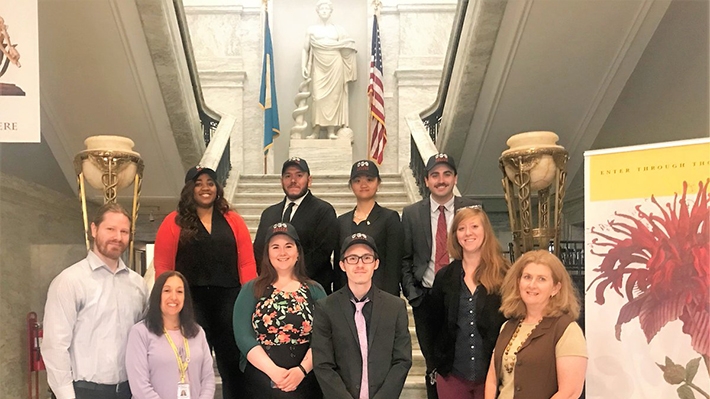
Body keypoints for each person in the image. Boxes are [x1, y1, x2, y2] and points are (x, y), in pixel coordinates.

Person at [154, 166, 257, 399]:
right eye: (198, 182)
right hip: (191, 304)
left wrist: (250, 300)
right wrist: (168, 303)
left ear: (217, 188)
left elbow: (247, 264)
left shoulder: (234, 220)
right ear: (189, 189)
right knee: (191, 365)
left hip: (230, 303)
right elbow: (163, 266)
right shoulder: (173, 222)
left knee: (233, 365)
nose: (205, 187)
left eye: (210, 182)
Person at [42, 203, 148, 399]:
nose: (117, 237)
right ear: (94, 229)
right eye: (110, 229)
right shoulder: (70, 281)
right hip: (83, 391)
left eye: (124, 231)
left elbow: (143, 340)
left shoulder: (138, 285)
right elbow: (54, 347)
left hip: (127, 391)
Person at [401, 153, 479, 399]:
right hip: (426, 299)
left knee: (462, 358)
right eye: (435, 175)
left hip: (464, 295)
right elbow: (405, 258)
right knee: (433, 362)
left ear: (455, 178)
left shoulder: (472, 209)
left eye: (447, 174)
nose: (441, 180)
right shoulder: (412, 213)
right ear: (426, 181)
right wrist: (413, 296)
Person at [312, 233, 412, 399]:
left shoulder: (395, 307)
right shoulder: (326, 308)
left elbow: (402, 361)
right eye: (352, 258)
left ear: (376, 263)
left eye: (366, 258)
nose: (360, 264)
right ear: (342, 265)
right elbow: (323, 364)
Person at [233, 222, 326, 398]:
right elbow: (243, 336)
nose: (282, 253)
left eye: (288, 246)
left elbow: (324, 336)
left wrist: (301, 371)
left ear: (298, 253)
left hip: (306, 380)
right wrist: (274, 372)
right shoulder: (251, 289)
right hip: (261, 381)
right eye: (275, 247)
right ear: (267, 254)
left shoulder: (315, 290)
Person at [428, 207, 508, 399]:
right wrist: (435, 363)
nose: (468, 233)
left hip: (493, 376)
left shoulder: (504, 274)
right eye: (461, 228)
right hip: (452, 376)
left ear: (485, 231)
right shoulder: (444, 277)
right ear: (455, 235)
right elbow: (432, 324)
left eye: (474, 226)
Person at [484, 250, 587, 399]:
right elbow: (492, 381)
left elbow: (570, 391)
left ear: (555, 288)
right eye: (527, 277)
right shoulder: (507, 327)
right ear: (518, 281)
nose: (532, 285)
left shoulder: (567, 330)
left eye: (541, 279)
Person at [253, 157, 338, 293]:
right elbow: (258, 250)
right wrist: (273, 279)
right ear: (281, 181)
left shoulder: (323, 210)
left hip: (312, 290)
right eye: (288, 176)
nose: (293, 181)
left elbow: (321, 253)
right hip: (272, 289)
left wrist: (291, 280)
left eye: (299, 175)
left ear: (309, 180)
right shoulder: (269, 213)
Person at [126, 271, 215, 399]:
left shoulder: (197, 332)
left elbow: (208, 378)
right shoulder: (140, 333)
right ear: (157, 295)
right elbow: (140, 386)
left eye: (179, 292)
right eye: (167, 291)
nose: (174, 297)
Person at [333, 160, 403, 296]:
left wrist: (389, 300)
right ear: (351, 185)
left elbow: (393, 266)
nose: (363, 185)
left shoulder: (389, 218)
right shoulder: (341, 221)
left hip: (380, 296)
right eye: (357, 181)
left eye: (369, 180)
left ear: (378, 183)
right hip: (347, 297)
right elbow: (338, 266)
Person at [301, 0, 357, 139]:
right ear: (318, 11)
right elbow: (305, 49)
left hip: (335, 63)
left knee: (334, 98)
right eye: (322, 8)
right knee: (318, 98)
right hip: (319, 64)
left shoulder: (338, 29)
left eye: (327, 8)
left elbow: (347, 45)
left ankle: (331, 130)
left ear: (330, 11)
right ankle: (316, 131)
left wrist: (350, 49)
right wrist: (303, 65)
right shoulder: (311, 29)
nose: (325, 11)